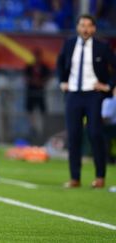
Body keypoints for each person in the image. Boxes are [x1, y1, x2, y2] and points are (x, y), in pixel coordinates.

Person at [57, 14, 116, 188]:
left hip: (93, 94)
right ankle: (75, 178)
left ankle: (100, 177)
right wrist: (62, 81)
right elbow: (60, 64)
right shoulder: (68, 44)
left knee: (95, 133)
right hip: (73, 94)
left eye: (89, 25)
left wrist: (108, 86)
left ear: (94, 28)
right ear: (77, 27)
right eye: (82, 25)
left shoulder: (102, 47)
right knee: (74, 135)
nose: (85, 29)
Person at [24, 48, 51, 144]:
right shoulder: (29, 66)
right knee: (30, 112)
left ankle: (42, 131)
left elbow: (48, 77)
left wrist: (41, 82)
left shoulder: (44, 67)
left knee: (41, 112)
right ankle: (32, 129)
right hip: (31, 93)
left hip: (40, 93)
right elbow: (26, 77)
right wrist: (33, 82)